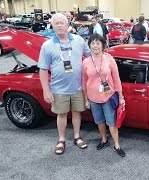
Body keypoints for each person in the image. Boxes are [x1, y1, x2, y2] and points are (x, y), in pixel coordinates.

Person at [37, 13, 91, 155]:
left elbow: (91, 55)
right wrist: (46, 91)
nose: (59, 25)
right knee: (61, 114)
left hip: (78, 87)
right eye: (56, 23)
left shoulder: (79, 40)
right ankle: (61, 139)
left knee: (76, 113)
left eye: (62, 23)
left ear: (68, 25)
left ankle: (77, 136)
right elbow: (42, 69)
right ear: (52, 26)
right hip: (59, 89)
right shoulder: (47, 46)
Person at [82, 33, 126, 157]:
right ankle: (103, 139)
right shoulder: (85, 62)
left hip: (108, 96)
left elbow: (117, 79)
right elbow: (84, 82)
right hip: (93, 98)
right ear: (89, 45)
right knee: (99, 121)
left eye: (98, 43)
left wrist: (121, 97)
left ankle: (116, 144)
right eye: (93, 43)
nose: (95, 46)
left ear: (102, 45)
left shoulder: (109, 59)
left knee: (111, 122)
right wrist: (86, 100)